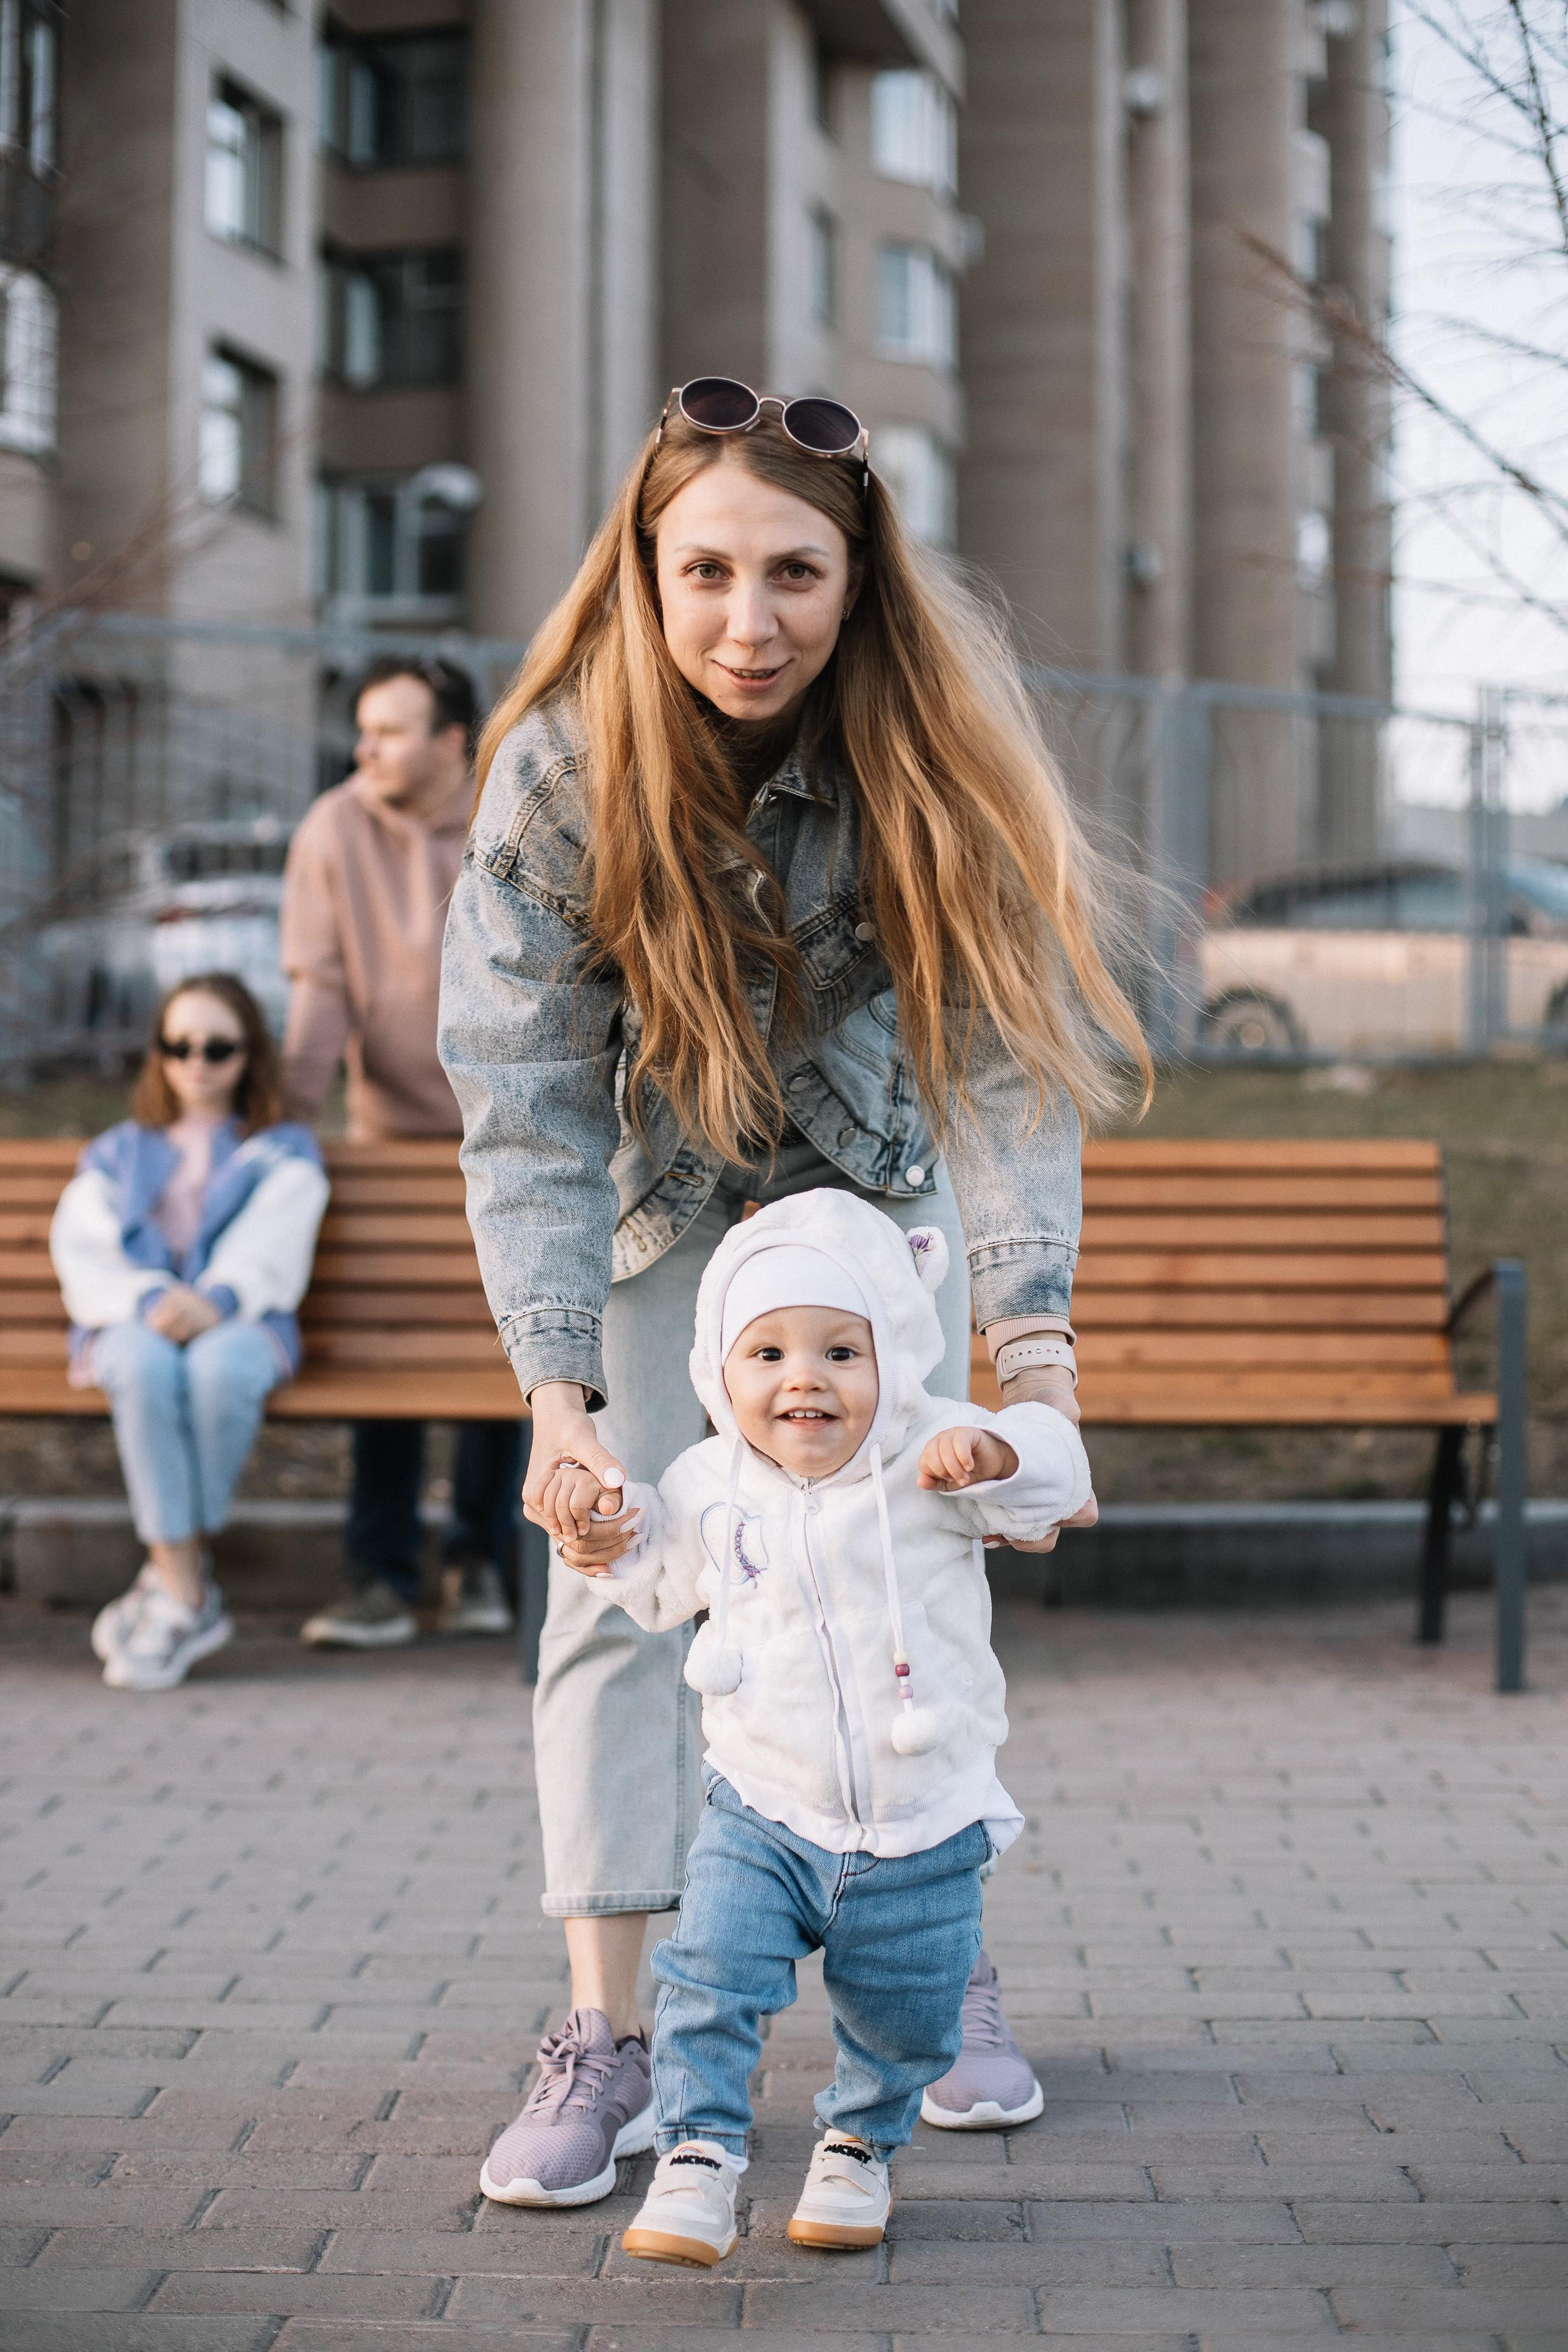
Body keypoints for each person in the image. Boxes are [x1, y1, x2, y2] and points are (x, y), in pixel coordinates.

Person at [439, 378, 1146, 2206]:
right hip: (664, 1228)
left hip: (874, 1217)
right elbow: (519, 1107)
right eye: (706, 574)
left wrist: (1029, 1343)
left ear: (858, 579)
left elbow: (1001, 1060)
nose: (747, 622)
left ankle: (926, 1966)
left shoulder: (931, 748)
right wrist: (562, 1399)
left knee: (898, 1583)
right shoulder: (562, 775)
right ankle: (609, 2030)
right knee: (608, 1594)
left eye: (794, 575)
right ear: (642, 574)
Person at [546, 1191, 1094, 2263]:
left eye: (842, 1351)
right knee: (706, 1981)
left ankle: (859, 2147)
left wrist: (997, 1454)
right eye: (767, 1354)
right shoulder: (711, 1482)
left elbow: (1058, 1473)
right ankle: (698, 2156)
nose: (804, 1377)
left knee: (908, 2017)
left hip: (922, 1816)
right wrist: (603, 1540)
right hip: (763, 1802)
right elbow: (655, 1581)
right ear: (719, 1373)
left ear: (891, 1359)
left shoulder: (934, 1449)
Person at [280, 655, 522, 1648]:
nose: (364, 748)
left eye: (388, 731)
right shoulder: (332, 828)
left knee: (506, 1355)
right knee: (380, 1353)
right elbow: (317, 992)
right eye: (363, 730)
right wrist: (288, 1129)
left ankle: (478, 1562)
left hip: (509, 1139)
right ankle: (376, 1574)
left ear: (450, 743)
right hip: (386, 1142)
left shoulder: (508, 813)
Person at [50, 974, 329, 1693]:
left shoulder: (281, 1148)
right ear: (159, 1055)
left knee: (220, 1369)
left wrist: (217, 1297)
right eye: (178, 1045)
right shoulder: (119, 1152)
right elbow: (83, 1245)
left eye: (217, 1046)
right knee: (141, 1368)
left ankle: (168, 1581)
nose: (196, 1062)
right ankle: (186, 1591)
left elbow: (277, 1238)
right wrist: (147, 1295)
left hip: (240, 1320)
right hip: (132, 1318)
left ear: (248, 1054)